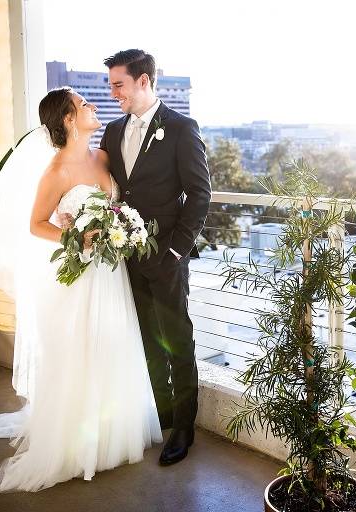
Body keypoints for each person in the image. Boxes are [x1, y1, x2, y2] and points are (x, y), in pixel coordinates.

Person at [0, 87, 162, 492]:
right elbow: (37, 224)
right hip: (79, 277)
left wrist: (122, 228)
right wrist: (76, 236)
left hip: (111, 273)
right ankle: (75, 446)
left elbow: (117, 207)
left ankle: (112, 436)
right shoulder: (56, 171)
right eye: (84, 104)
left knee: (112, 345)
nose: (92, 106)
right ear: (69, 119)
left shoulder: (102, 157)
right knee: (81, 352)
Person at [99, 49, 211, 465]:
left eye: (118, 84)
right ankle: (162, 415)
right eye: (111, 84)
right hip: (125, 259)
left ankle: (184, 427)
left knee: (178, 340)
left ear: (143, 81)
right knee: (147, 340)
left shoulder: (181, 129)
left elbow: (200, 195)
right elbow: (107, 188)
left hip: (167, 257)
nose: (113, 93)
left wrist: (177, 251)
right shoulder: (112, 131)